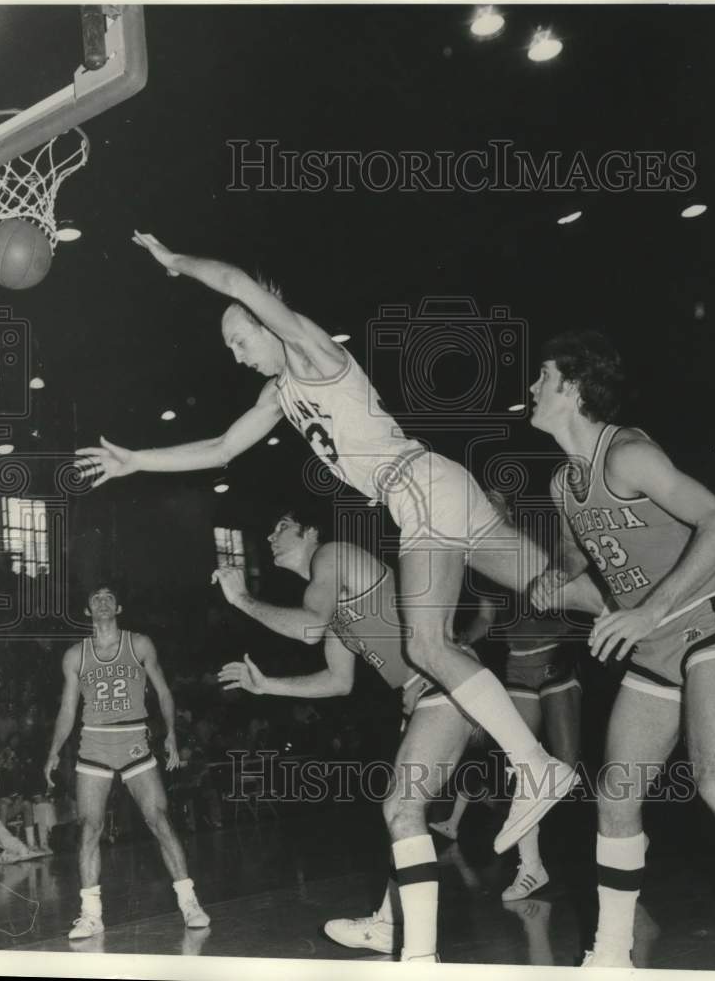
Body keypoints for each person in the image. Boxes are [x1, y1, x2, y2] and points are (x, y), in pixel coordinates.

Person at [76, 231, 578, 860]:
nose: (235, 355)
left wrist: (176, 264)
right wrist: (136, 461)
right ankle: (662, 599)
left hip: (416, 487)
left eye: (239, 339)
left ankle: (534, 765)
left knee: (427, 643)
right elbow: (222, 448)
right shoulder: (279, 392)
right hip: (436, 484)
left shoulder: (309, 352)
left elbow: (238, 284)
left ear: (267, 322)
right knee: (554, 585)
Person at [528, 330, 715, 968]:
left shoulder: (629, 454)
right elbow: (607, 574)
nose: (532, 387)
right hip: (658, 639)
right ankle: (610, 954)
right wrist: (560, 589)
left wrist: (648, 611)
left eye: (543, 376)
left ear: (576, 389)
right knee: (615, 794)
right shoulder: (563, 485)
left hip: (712, 618)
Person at [217, 507, 479, 962]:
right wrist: (268, 686)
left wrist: (242, 600)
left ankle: (419, 955)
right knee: (402, 813)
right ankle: (388, 924)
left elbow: (307, 628)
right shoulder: (338, 609)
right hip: (429, 692)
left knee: (401, 810)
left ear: (311, 531)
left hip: (448, 681)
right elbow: (338, 681)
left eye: (281, 526)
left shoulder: (333, 555)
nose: (271, 535)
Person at [430, 491, 588, 901]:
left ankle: (624, 829)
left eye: (490, 500)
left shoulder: (537, 541)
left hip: (557, 657)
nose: (480, 505)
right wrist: (455, 643)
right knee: (527, 768)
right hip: (518, 666)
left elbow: (579, 591)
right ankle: (531, 868)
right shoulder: (480, 562)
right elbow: (484, 618)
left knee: (565, 768)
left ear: (508, 507)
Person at [43, 583, 209, 940]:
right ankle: (90, 915)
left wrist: (171, 734)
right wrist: (54, 750)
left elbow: (163, 690)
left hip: (134, 740)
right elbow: (68, 708)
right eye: (95, 599)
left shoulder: (139, 644)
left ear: (118, 608)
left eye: (108, 598)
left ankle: (189, 902)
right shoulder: (75, 655)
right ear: (88, 611)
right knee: (89, 827)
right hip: (95, 744)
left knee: (159, 820)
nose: (102, 602)